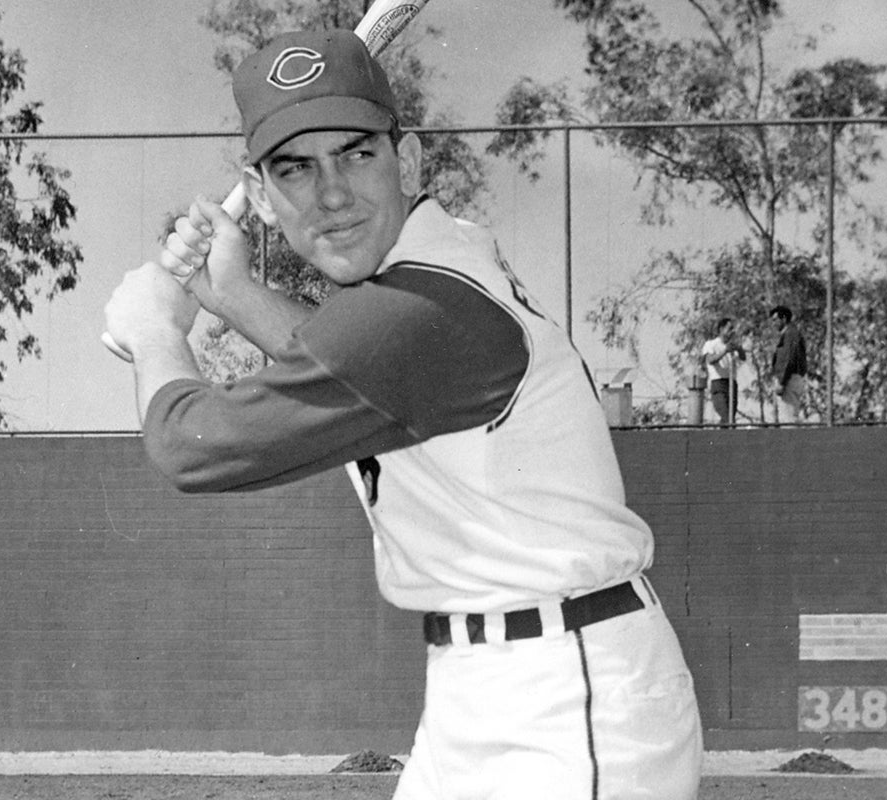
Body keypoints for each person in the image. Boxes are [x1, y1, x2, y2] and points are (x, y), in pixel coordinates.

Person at [105, 29, 702, 800]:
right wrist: (229, 293)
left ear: (409, 160)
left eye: (357, 154)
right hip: (485, 688)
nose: (331, 194)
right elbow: (351, 368)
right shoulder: (431, 269)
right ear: (259, 197)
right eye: (295, 169)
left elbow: (194, 447)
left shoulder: (418, 309)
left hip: (566, 696)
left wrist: (155, 329)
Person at [700, 317, 745, 425]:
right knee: (726, 416)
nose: (731, 332)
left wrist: (739, 348)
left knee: (730, 417)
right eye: (729, 328)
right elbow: (710, 360)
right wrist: (725, 351)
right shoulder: (711, 344)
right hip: (718, 383)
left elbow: (743, 357)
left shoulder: (732, 346)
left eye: (732, 329)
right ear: (721, 329)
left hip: (731, 384)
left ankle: (723, 438)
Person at [769, 304, 808, 423]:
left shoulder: (791, 334)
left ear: (784, 319)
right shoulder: (790, 334)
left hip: (789, 380)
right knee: (788, 417)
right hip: (789, 379)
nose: (773, 323)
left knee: (789, 419)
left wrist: (782, 381)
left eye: (775, 320)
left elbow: (788, 359)